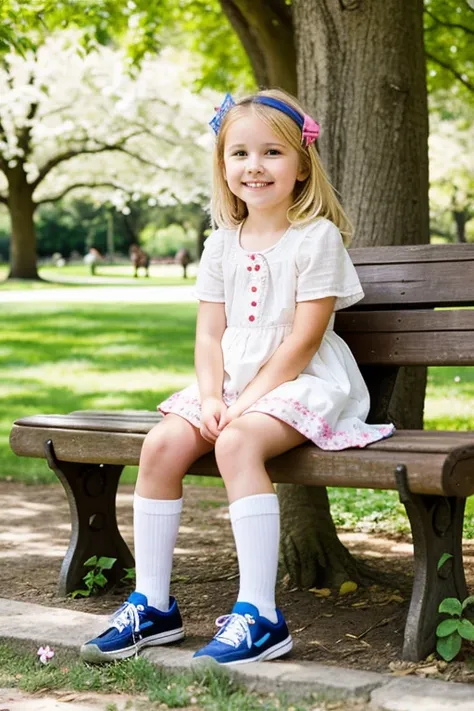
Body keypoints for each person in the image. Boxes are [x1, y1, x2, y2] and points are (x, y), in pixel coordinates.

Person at [81, 88, 394, 666]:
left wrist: (246, 400)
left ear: (302, 166)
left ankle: (261, 615)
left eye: (272, 153)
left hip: (303, 381)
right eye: (240, 154)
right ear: (223, 168)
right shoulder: (221, 244)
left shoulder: (315, 238)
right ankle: (152, 604)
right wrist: (208, 395)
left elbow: (302, 340)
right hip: (229, 384)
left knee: (238, 439)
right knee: (162, 443)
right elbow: (207, 335)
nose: (255, 166)